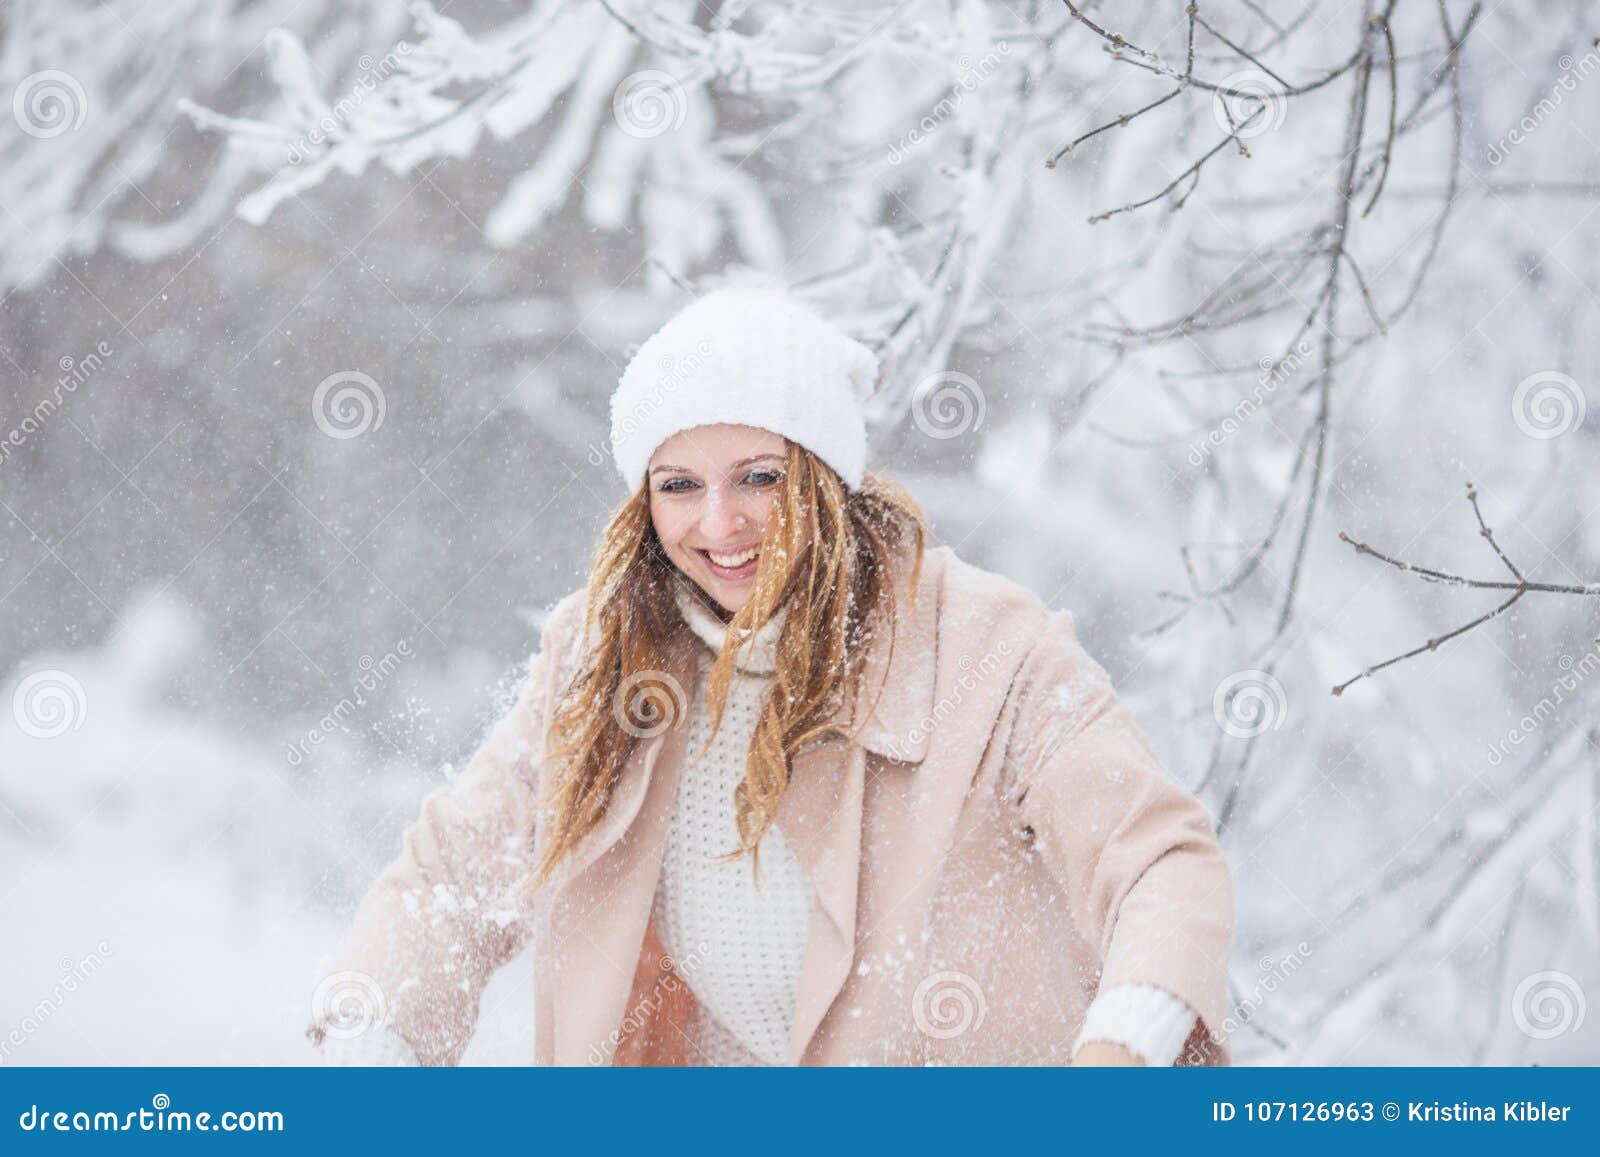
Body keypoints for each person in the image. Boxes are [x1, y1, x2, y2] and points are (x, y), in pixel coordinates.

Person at [306, 286, 1235, 1066]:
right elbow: (451, 876)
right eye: (678, 485)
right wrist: (370, 1039)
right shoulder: (603, 660)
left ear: (827, 480)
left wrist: (1123, 1048)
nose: (721, 523)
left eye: (759, 476)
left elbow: (1156, 859)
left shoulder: (988, 645)